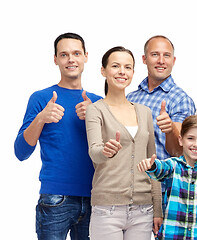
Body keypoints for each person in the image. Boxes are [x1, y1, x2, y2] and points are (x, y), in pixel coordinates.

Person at [14, 32, 103, 240]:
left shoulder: (98, 102)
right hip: (55, 199)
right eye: (64, 54)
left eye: (76, 53)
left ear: (86, 57)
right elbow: (20, 152)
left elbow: (111, 151)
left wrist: (95, 116)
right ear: (55, 59)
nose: (71, 59)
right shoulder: (41, 98)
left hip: (96, 198)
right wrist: (41, 118)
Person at [85, 46, 162, 239]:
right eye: (115, 66)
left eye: (128, 67)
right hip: (107, 209)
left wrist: (158, 209)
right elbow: (94, 151)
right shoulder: (95, 110)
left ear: (133, 72)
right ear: (103, 71)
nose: (122, 71)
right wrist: (105, 151)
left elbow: (153, 164)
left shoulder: (145, 112)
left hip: (143, 210)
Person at [126, 35, 196, 234]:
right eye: (155, 54)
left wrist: (171, 129)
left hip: (167, 191)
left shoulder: (180, 99)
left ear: (174, 61)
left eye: (167, 55)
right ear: (144, 59)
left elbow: (182, 152)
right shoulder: (131, 97)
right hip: (133, 190)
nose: (161, 60)